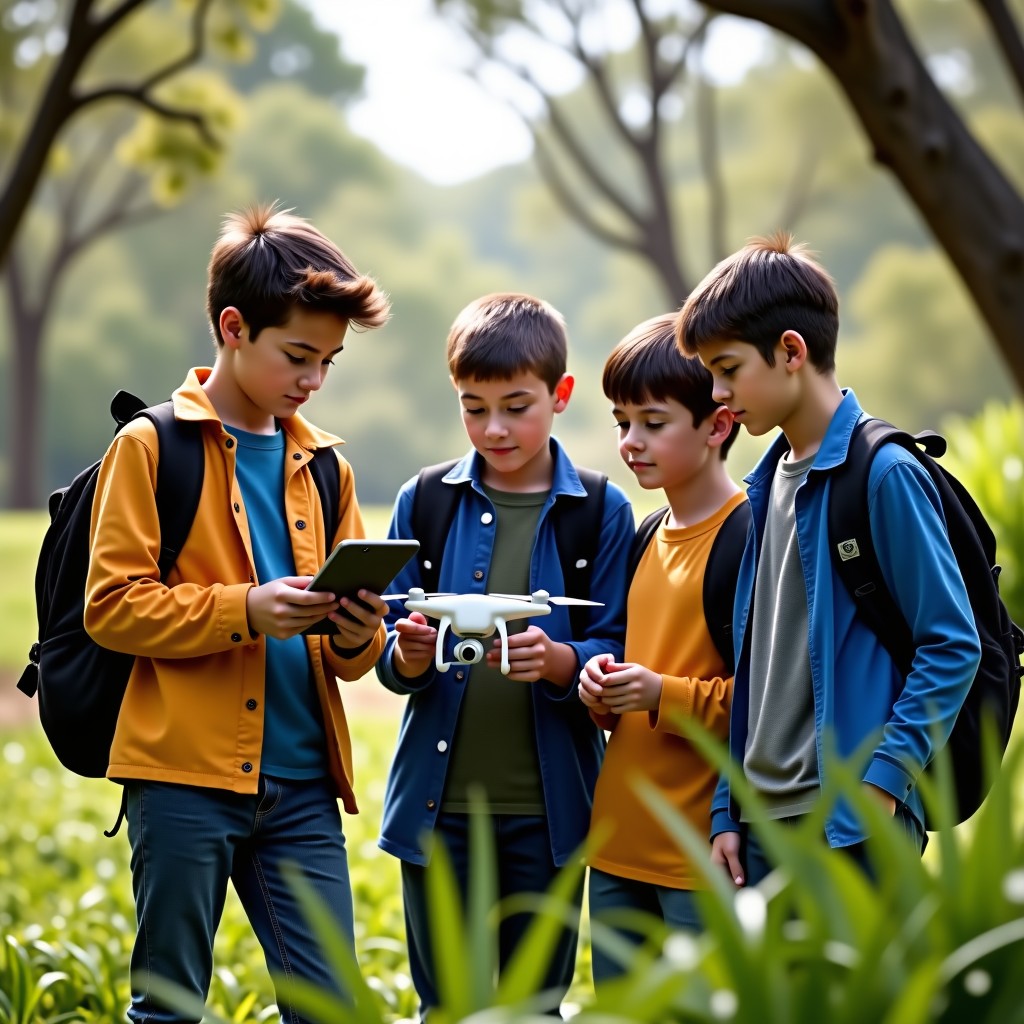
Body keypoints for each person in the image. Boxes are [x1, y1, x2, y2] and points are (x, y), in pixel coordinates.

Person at [84, 205, 392, 1022]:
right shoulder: (151, 447)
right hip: (182, 778)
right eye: (298, 355)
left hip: (302, 786)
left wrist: (360, 635)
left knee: (331, 1006)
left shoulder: (327, 465)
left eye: (327, 361)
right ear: (233, 326)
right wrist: (246, 609)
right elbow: (111, 609)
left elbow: (349, 654)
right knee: (169, 1007)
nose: (313, 379)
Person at [674, 232, 982, 887]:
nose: (718, 394)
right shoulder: (762, 486)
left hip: (853, 826)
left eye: (728, 369)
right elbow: (754, 664)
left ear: (791, 351)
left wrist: (884, 783)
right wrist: (728, 808)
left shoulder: (886, 474)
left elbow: (952, 644)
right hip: (758, 831)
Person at [374, 292, 635, 1017]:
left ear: (561, 396)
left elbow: (615, 644)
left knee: (532, 1008)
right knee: (446, 1007)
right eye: (473, 406)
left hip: (550, 815)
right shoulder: (423, 502)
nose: (494, 427)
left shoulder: (601, 511)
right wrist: (411, 655)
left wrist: (559, 662)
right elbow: (386, 646)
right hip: (437, 811)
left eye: (516, 406)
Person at [578, 314, 745, 983]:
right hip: (618, 848)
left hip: (702, 855)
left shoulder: (750, 536)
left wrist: (658, 693)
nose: (630, 442)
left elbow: (774, 703)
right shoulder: (646, 534)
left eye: (652, 422)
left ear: (718, 426)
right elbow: (634, 664)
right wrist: (602, 686)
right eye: (622, 422)